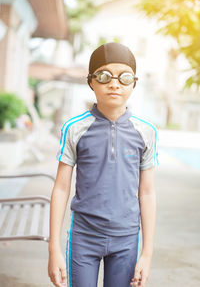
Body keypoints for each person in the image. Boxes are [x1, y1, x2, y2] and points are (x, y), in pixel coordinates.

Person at [48, 42, 159, 287]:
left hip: (127, 238)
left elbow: (147, 192)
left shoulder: (146, 132)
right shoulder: (75, 128)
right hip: (83, 237)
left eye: (124, 76)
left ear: (134, 83)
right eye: (104, 75)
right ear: (91, 81)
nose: (114, 83)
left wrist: (147, 253)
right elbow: (61, 188)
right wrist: (53, 248)